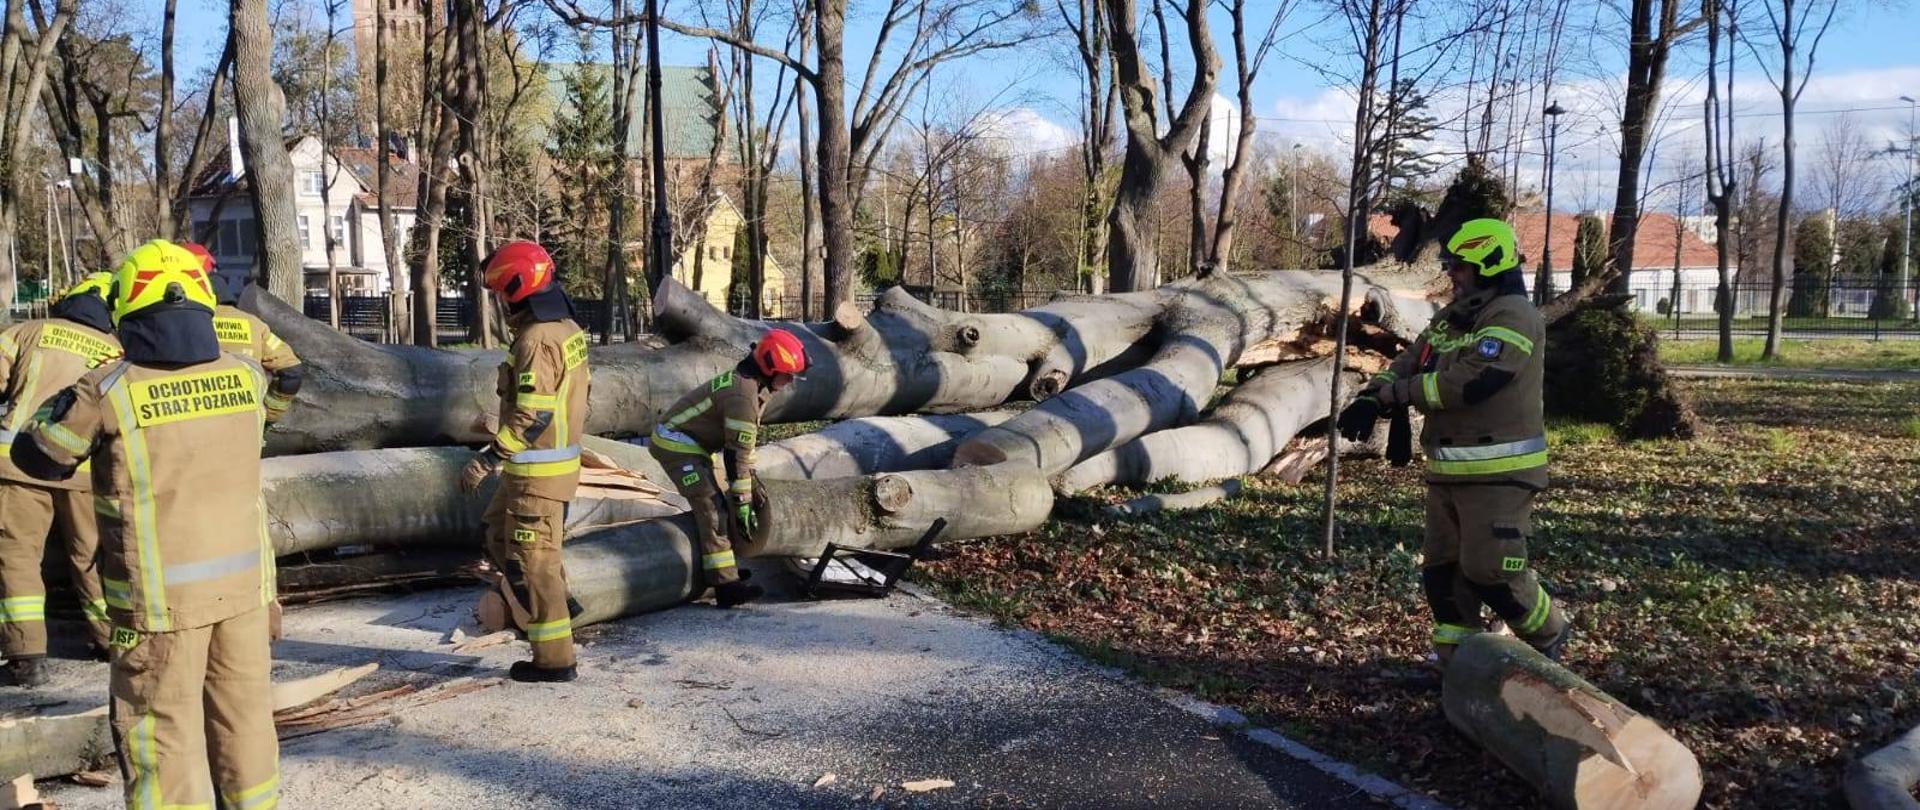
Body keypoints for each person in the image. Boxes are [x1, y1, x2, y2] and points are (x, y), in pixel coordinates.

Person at [12, 239, 279, 808]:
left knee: (160, 736)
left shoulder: (107, 389)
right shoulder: (246, 377)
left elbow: (39, 456)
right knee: (246, 722)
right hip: (246, 595)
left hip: (158, 606)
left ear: (129, 308)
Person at [1338, 218, 1570, 669]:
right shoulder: (1452, 317)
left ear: (1488, 265)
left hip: (1500, 476)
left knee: (1491, 571)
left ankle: (1548, 636)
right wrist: (1372, 395)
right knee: (1444, 576)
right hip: (1447, 474)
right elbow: (1411, 360)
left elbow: (1472, 381)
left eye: (1460, 267)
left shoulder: (1514, 317)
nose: (1453, 276)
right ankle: (1455, 666)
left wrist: (1398, 395)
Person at [459, 241, 591, 683]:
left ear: (516, 287)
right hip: (533, 472)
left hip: (538, 474)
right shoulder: (564, 328)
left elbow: (533, 415)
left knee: (536, 565)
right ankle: (556, 604)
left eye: (500, 292)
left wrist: (489, 457)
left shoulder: (537, 339)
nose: (499, 302)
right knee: (498, 535)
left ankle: (554, 660)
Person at [0, 274, 120, 685]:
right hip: (86, 471)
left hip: (17, 466)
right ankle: (111, 642)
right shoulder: (116, 351)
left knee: (17, 558)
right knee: (93, 558)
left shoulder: (26, 332)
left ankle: (26, 657)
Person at [647, 328, 807, 609]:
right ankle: (725, 586)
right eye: (787, 374)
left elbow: (742, 449)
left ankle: (724, 570)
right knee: (712, 507)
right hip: (676, 445)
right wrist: (742, 501)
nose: (791, 380)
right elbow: (735, 457)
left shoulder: (753, 385)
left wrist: (748, 484)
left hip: (692, 442)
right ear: (769, 368)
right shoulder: (743, 397)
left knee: (721, 503)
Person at [180, 242, 304, 424]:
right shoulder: (253, 324)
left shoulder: (179, 327)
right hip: (246, 431)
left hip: (196, 429)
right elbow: (292, 371)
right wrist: (268, 414)